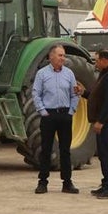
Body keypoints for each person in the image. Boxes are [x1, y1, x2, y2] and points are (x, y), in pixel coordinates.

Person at [31, 44, 80, 194]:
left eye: (64, 56)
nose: (63, 59)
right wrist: (43, 111)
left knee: (65, 150)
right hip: (49, 116)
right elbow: (36, 93)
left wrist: (71, 111)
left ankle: (67, 183)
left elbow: (75, 93)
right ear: (51, 57)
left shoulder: (69, 74)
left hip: (65, 115)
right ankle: (43, 182)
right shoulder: (42, 74)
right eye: (60, 56)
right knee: (46, 149)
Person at [76, 49, 108, 199]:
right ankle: (106, 183)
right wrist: (83, 93)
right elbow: (98, 98)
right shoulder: (105, 75)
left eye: (97, 60)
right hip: (105, 123)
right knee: (103, 154)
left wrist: (101, 121)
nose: (95, 63)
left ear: (104, 60)